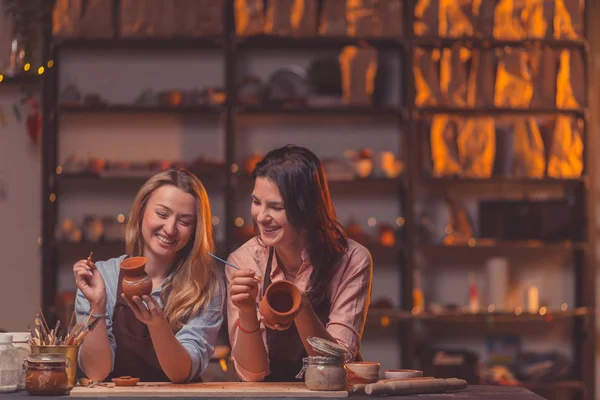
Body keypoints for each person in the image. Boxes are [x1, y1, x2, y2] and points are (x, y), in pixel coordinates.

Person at [226, 145, 373, 382]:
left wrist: (300, 306)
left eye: (276, 207)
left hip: (331, 394)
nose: (261, 216)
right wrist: (246, 311)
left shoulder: (352, 259)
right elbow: (252, 374)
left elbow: (337, 363)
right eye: (256, 202)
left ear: (306, 208)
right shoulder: (244, 260)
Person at [73, 169, 224, 383]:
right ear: (142, 211)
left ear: (195, 230)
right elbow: (96, 373)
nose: (170, 229)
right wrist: (97, 304)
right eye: (162, 214)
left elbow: (180, 372)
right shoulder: (103, 277)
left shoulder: (206, 285)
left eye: (185, 221)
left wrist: (156, 323)